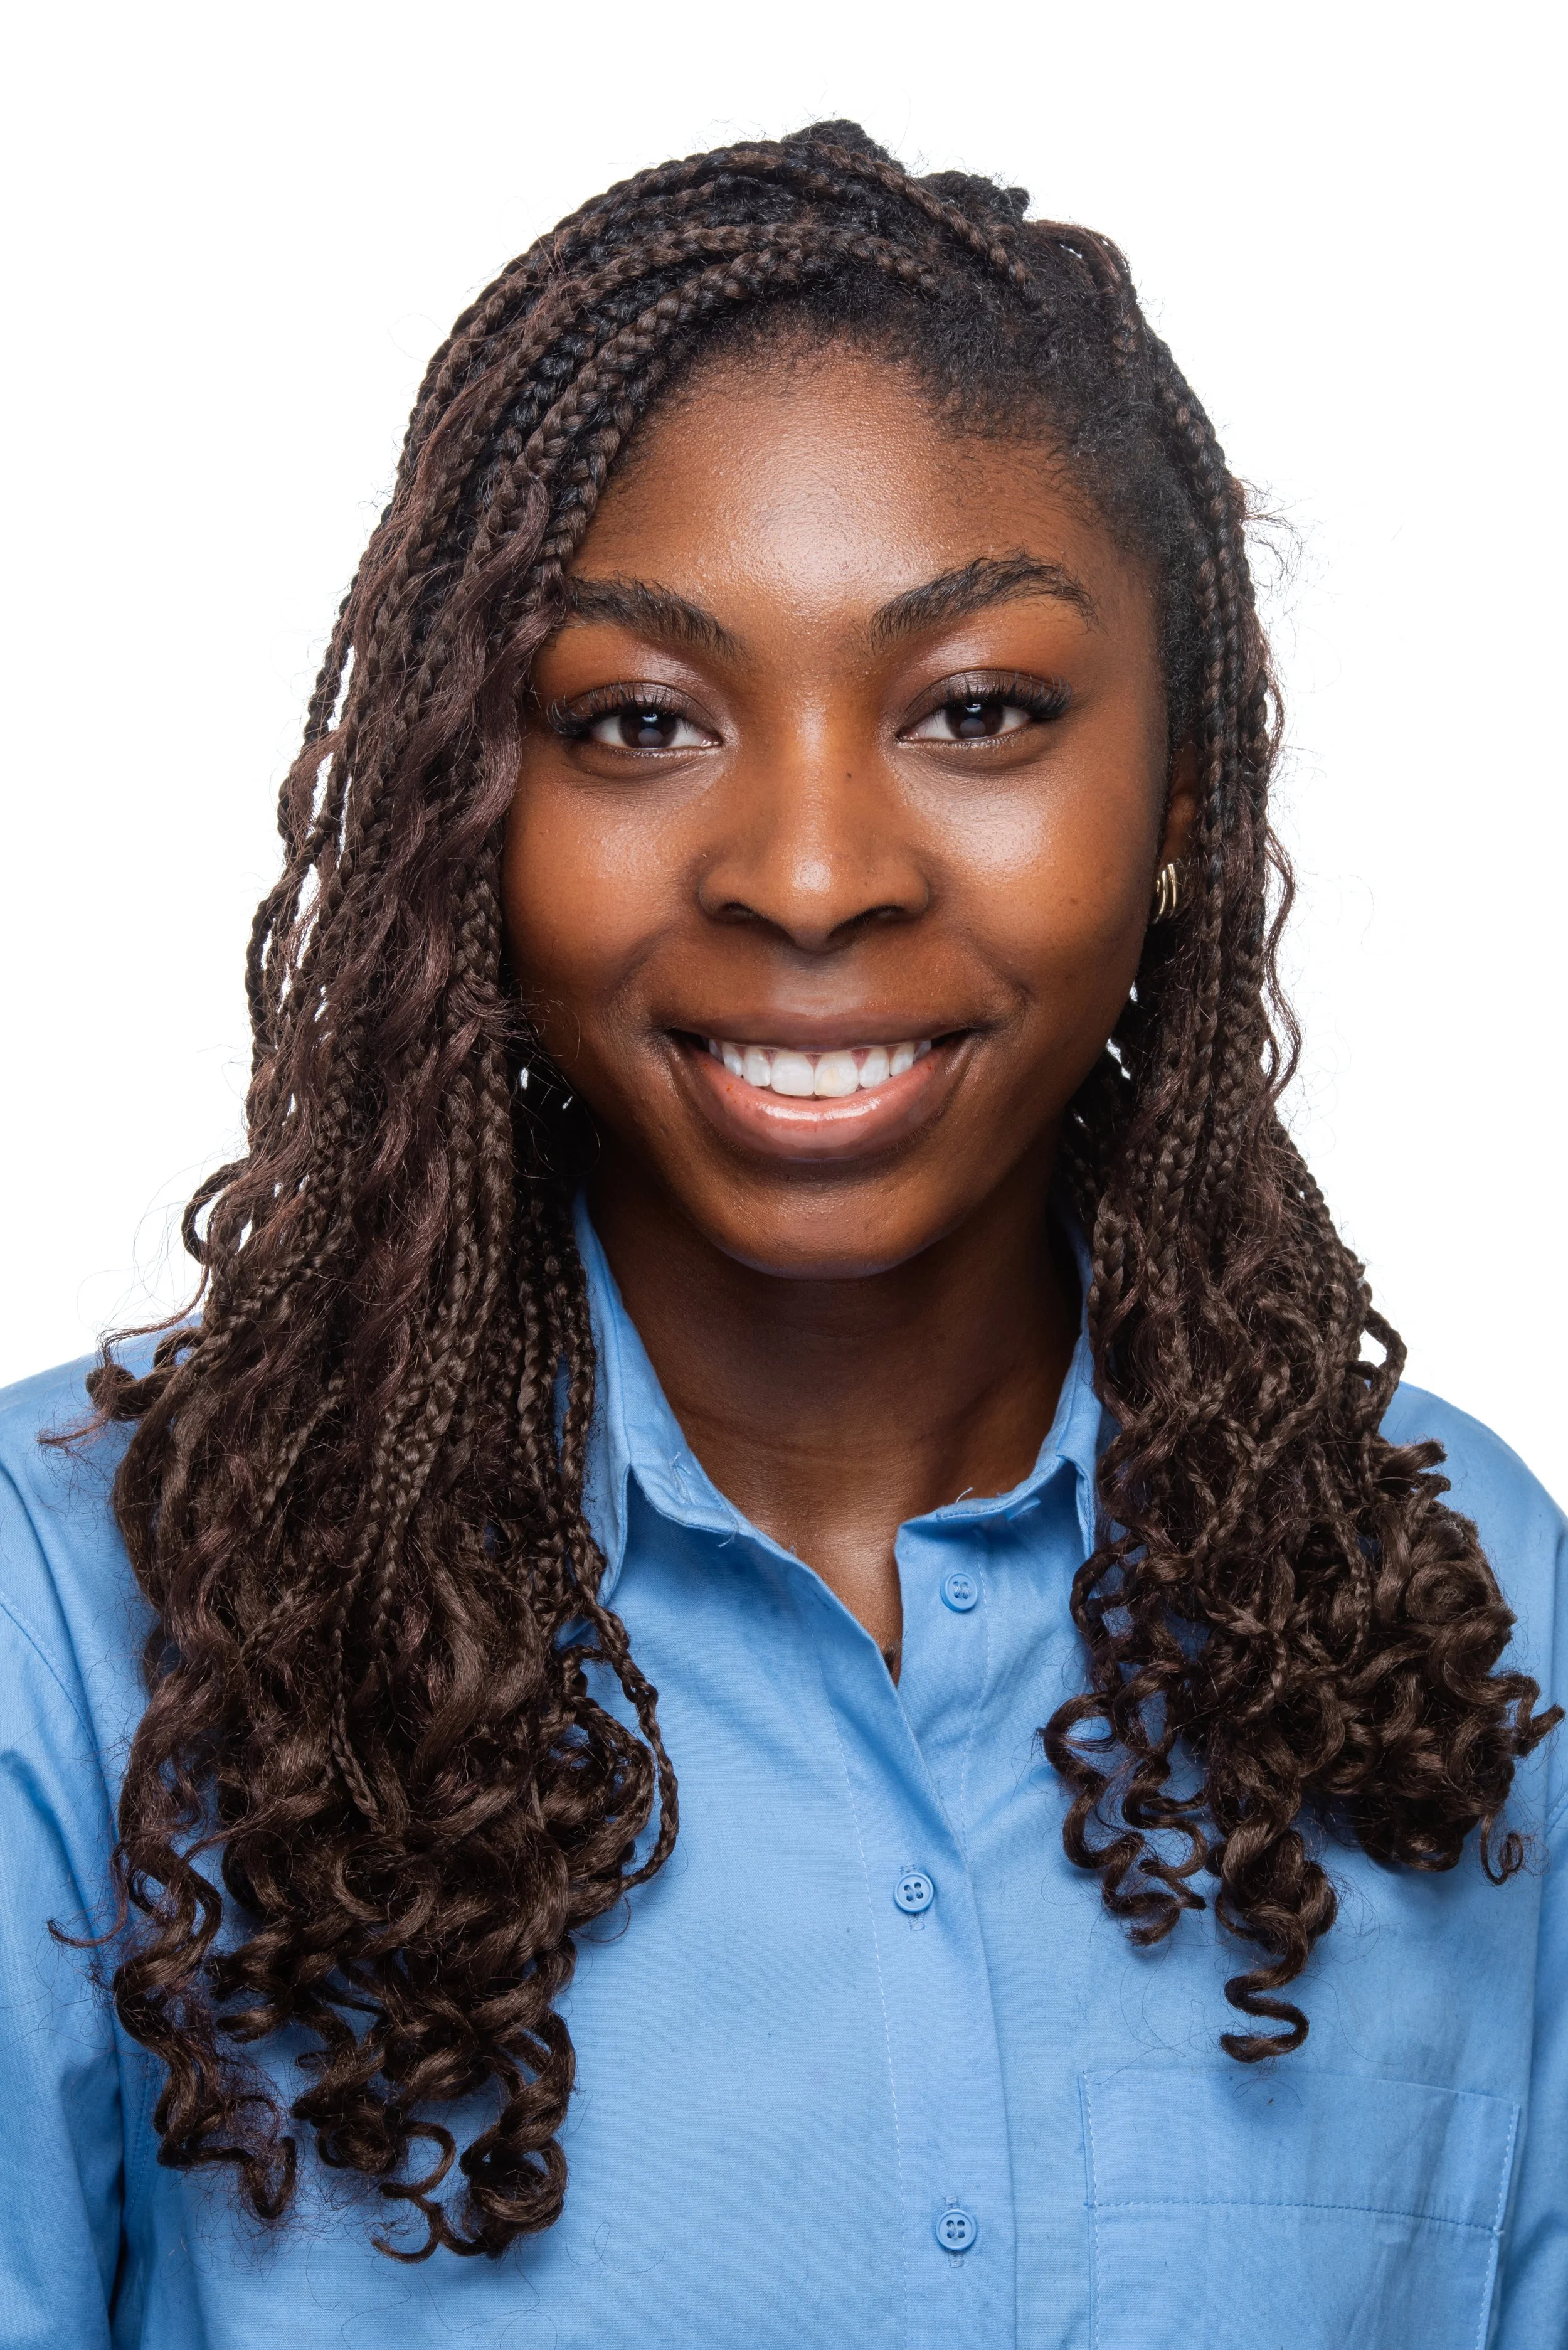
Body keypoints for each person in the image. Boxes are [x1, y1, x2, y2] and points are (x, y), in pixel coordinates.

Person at [1, 121, 1562, 2350]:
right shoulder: (73, 1627)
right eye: (638, 721)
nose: (811, 874)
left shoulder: (1469, 1613)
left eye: (978, 712)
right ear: (472, 798)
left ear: (1188, 796)